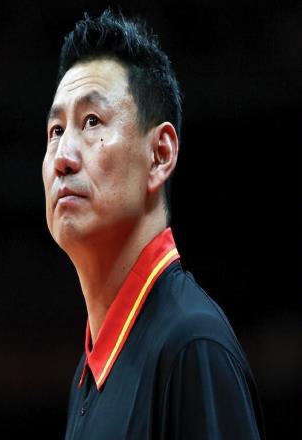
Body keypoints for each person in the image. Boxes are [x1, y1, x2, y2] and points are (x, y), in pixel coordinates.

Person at [41, 9, 265, 440]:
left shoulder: (193, 346)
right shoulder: (88, 373)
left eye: (91, 122)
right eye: (55, 130)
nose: (63, 157)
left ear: (160, 155)